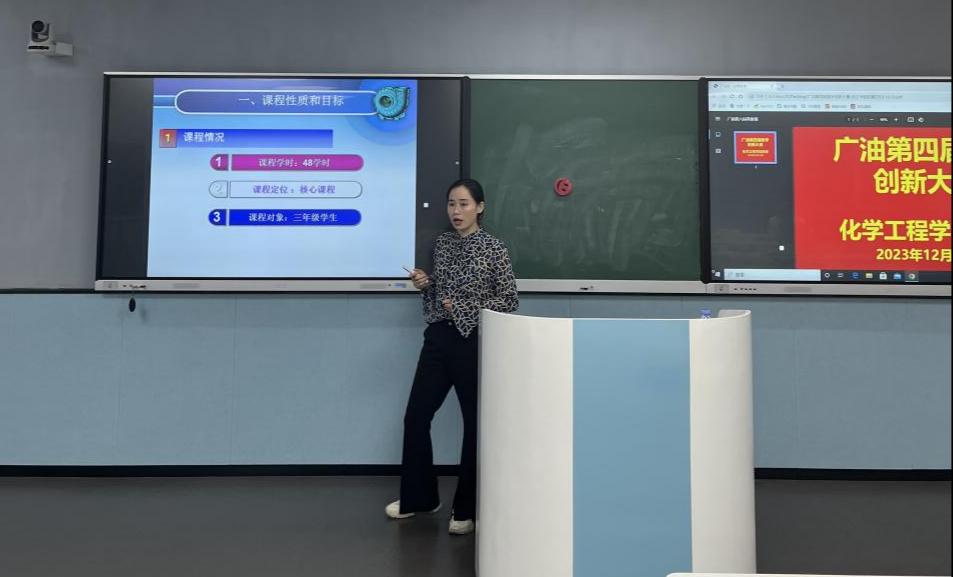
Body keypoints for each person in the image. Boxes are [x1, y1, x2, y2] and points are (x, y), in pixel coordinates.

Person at [385, 178, 519, 535]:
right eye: (451, 204)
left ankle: (466, 509)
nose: (456, 211)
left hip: (472, 340)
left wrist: (463, 306)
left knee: (473, 424)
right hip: (439, 338)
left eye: (463, 204)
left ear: (480, 207)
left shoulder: (494, 248)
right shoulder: (443, 244)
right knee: (416, 416)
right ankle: (420, 499)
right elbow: (438, 296)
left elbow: (509, 300)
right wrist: (425, 285)